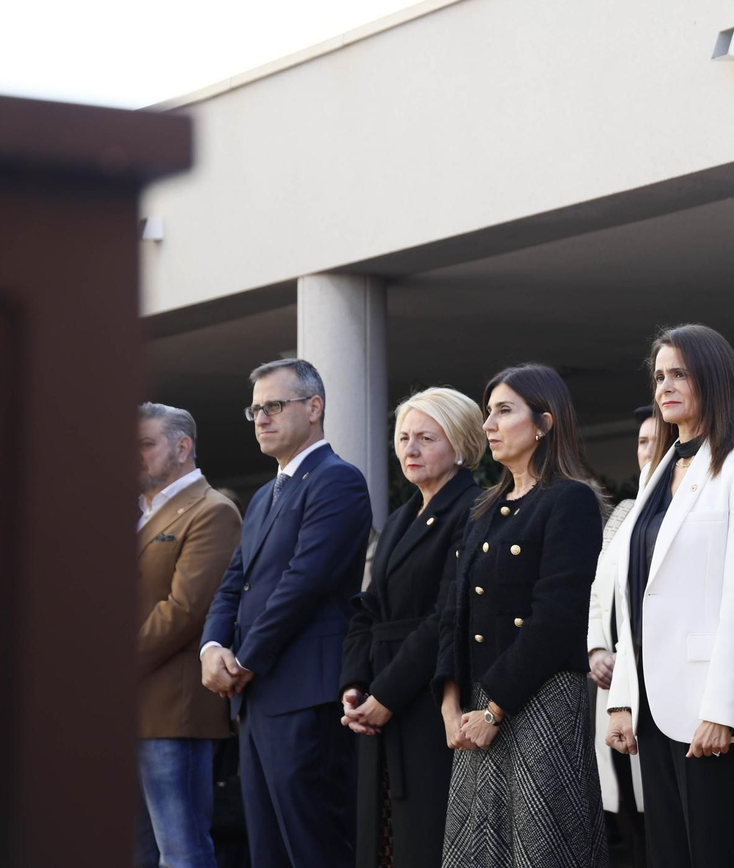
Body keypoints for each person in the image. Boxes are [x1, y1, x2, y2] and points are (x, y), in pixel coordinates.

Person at [604, 325, 734, 868]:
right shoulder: (656, 475)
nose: (665, 386)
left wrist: (724, 710)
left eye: (679, 373)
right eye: (659, 376)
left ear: (714, 377)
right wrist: (622, 700)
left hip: (712, 711)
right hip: (654, 712)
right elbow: (639, 596)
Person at [200, 358, 373, 868]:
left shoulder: (338, 481)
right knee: (269, 850)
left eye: (274, 406)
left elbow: (304, 583)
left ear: (314, 407)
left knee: (313, 845)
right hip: (257, 697)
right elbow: (234, 582)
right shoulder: (261, 497)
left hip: (305, 694)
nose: (261, 418)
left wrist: (245, 660)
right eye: (254, 409)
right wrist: (213, 648)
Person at [435, 364, 608, 868]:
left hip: (540, 704)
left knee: (543, 852)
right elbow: (454, 612)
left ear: (544, 423)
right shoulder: (484, 508)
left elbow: (558, 618)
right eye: (489, 412)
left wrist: (494, 710)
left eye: (504, 411)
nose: (489, 424)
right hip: (476, 710)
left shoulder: (569, 500)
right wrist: (452, 706)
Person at [339, 387, 486, 868]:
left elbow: (445, 614)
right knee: (383, 837)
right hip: (381, 693)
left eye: (426, 437)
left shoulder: (473, 509)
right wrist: (356, 684)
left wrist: (387, 694)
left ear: (461, 445)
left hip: (426, 697)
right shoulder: (403, 515)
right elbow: (367, 607)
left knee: (423, 836)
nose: (410, 449)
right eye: (403, 438)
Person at [136, 402, 241, 868]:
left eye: (145, 444)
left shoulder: (213, 510)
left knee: (181, 852)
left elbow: (185, 611)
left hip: (171, 712)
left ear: (183, 447)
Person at [588, 406, 659, 867]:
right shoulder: (626, 512)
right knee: (624, 805)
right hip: (613, 685)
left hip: (659, 684)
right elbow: (598, 588)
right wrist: (596, 646)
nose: (646, 451)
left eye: (656, 440)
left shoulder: (680, 508)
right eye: (640, 442)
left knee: (658, 804)